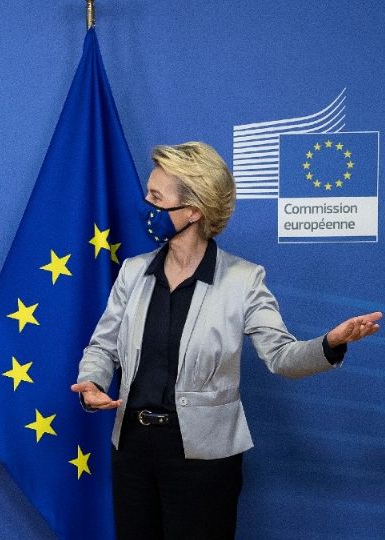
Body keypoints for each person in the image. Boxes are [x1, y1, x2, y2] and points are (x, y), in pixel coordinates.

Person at [70, 141, 380, 540]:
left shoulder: (244, 280)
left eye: (155, 197)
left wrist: (330, 343)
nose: (144, 204)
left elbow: (282, 357)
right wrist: (92, 382)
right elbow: (102, 347)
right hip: (131, 450)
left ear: (194, 211)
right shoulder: (132, 272)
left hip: (204, 459)